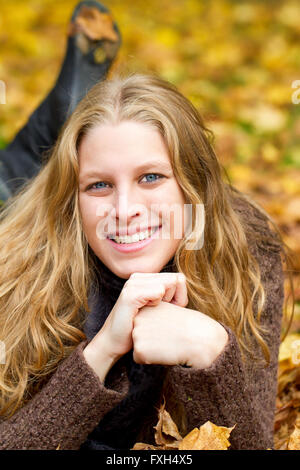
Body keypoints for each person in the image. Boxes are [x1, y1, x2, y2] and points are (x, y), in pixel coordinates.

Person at [0, 3, 294, 452]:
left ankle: (72, 112)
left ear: (192, 184)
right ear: (71, 201)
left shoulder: (246, 251)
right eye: (98, 185)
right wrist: (99, 354)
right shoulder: (23, 263)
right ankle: (66, 108)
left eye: (151, 177)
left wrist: (212, 352)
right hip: (23, 215)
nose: (125, 209)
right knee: (13, 180)